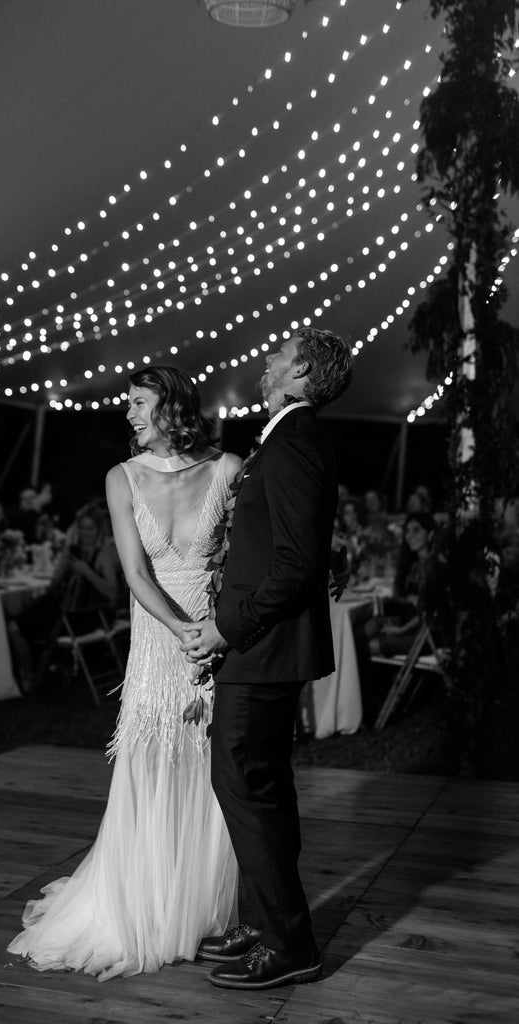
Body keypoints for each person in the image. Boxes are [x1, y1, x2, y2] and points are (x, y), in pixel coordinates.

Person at [7, 365, 242, 979]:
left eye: (139, 403)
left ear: (172, 406)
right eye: (129, 405)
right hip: (162, 643)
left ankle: (199, 912)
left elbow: (246, 559)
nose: (130, 414)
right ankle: (141, 910)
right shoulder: (121, 479)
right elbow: (136, 575)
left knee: (209, 768)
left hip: (215, 641)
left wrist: (213, 630)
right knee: (149, 764)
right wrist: (183, 631)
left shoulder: (228, 470)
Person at [181, 328, 354, 990]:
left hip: (261, 650)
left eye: (279, 356)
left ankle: (290, 944)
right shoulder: (286, 439)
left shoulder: (295, 443)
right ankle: (261, 921)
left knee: (246, 786)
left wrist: (226, 630)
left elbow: (294, 564)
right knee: (261, 788)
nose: (266, 360)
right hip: (265, 650)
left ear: (301, 372)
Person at [7, 502, 118, 691]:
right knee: (19, 616)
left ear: (99, 530)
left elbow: (113, 593)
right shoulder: (72, 550)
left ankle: (30, 676)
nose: (85, 533)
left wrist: (87, 572)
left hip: (87, 616)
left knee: (16, 626)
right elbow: (53, 586)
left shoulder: (102, 555)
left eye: (90, 528)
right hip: (65, 610)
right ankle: (33, 671)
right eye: (82, 528)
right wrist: (62, 565)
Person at [368, 512, 439, 657]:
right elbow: (398, 594)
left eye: (416, 530)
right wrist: (410, 598)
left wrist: (402, 630)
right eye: (407, 530)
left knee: (366, 645)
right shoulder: (413, 564)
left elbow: (430, 611)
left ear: (430, 534)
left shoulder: (435, 566)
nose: (410, 535)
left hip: (425, 635)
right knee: (359, 631)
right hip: (405, 623)